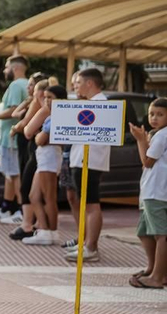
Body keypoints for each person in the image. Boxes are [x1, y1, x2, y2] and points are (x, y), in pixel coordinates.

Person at [64, 67, 112, 262]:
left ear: (90, 83)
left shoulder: (101, 104)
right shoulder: (90, 103)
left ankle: (91, 247)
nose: (76, 86)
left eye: (79, 83)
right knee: (85, 203)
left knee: (91, 204)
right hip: (81, 159)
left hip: (90, 160)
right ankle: (87, 244)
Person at [0, 55, 30, 224]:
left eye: (7, 67)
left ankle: (20, 210)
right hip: (14, 138)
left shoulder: (16, 85)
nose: (4, 70)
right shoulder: (25, 84)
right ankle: (6, 207)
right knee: (11, 174)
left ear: (15, 68)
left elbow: (13, 110)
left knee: (14, 175)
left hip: (12, 138)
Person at [129, 98, 167, 289]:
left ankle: (158, 277)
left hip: (157, 192)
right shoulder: (158, 134)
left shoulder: (161, 136)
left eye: (160, 115)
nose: (154, 118)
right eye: (152, 114)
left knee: (161, 235)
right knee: (144, 232)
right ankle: (153, 268)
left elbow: (147, 162)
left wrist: (140, 140)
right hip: (151, 190)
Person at [24, 83, 65, 246]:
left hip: (49, 158)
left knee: (49, 197)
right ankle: (44, 229)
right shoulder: (49, 116)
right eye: (45, 97)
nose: (47, 101)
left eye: (51, 98)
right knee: (34, 196)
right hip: (44, 158)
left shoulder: (58, 117)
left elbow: (40, 139)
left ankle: (51, 231)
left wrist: (39, 136)